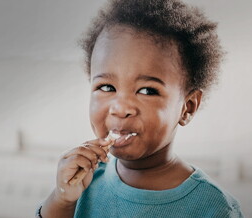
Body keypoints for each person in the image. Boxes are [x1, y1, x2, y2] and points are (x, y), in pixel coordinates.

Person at [36, 0, 244, 217]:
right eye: (107, 87)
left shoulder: (215, 208)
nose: (121, 108)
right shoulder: (81, 184)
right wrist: (61, 201)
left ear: (187, 107)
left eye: (147, 91)